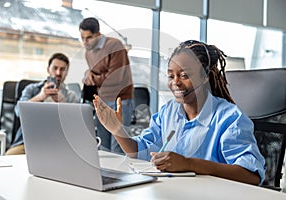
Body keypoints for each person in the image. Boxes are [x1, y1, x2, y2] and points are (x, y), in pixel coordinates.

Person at [93, 40, 266, 185]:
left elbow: (251, 175)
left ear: (204, 76)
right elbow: (140, 152)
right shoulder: (169, 112)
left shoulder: (229, 118)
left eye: (184, 75)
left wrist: (189, 164)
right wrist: (117, 130)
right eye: (171, 76)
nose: (176, 82)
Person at [5, 53, 79, 155]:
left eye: (62, 69)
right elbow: (18, 111)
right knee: (10, 156)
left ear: (67, 72)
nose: (58, 73)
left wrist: (62, 103)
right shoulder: (32, 89)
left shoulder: (71, 96)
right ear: (48, 69)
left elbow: (75, 125)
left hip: (58, 144)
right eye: (55, 68)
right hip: (28, 142)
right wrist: (40, 97)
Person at [79, 17, 134, 154]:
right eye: (82, 38)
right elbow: (96, 74)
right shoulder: (88, 52)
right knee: (104, 147)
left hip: (120, 100)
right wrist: (88, 73)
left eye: (89, 38)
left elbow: (115, 77)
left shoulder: (115, 46)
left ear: (98, 34)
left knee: (119, 147)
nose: (85, 42)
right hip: (101, 101)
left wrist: (92, 78)